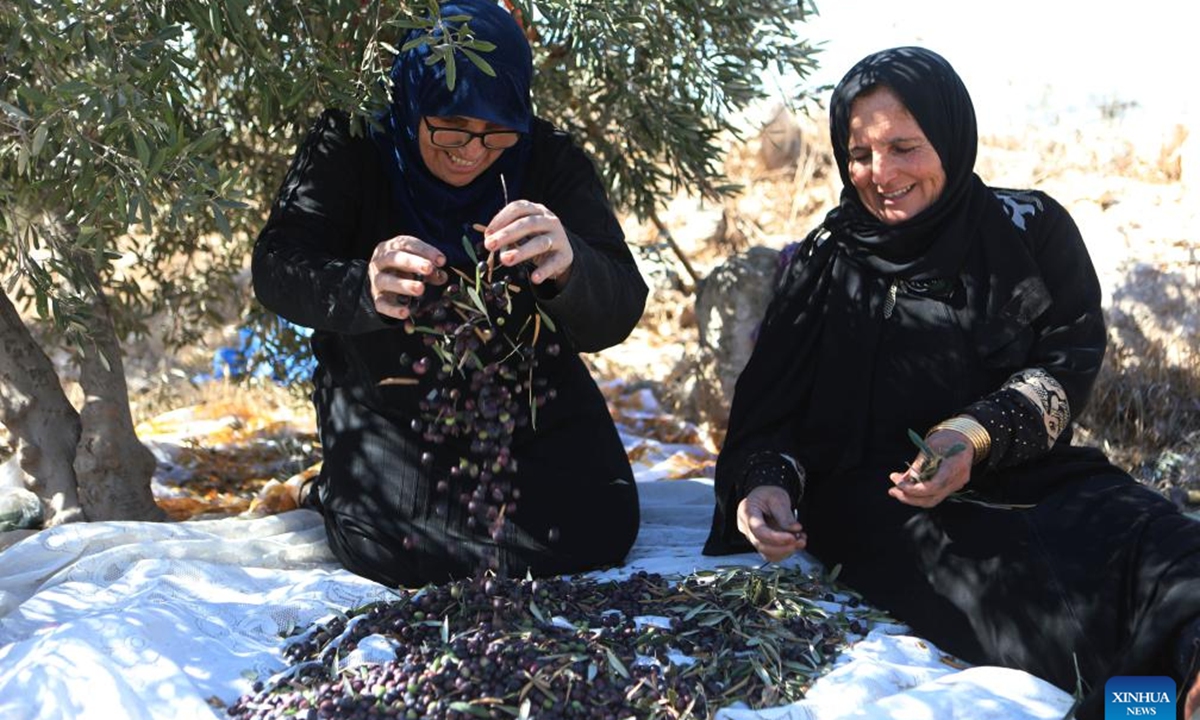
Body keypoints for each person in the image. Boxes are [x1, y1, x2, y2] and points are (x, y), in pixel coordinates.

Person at [703, 46, 1200, 720]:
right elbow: (772, 414)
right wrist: (767, 484)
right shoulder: (826, 263)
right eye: (860, 154)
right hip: (891, 506)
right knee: (1059, 614)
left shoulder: (1029, 229)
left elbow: (1066, 363)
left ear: (951, 135)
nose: (881, 175)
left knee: (1162, 543)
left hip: (1035, 473)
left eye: (905, 147)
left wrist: (971, 436)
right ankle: (1151, 706)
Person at [253, 0, 646, 588]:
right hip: (389, 401)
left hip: (529, 400)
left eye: (496, 135)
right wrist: (361, 286)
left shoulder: (548, 158)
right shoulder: (353, 141)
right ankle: (331, 484)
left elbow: (619, 304)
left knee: (600, 527)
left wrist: (572, 267)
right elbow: (278, 264)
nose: (472, 152)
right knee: (394, 551)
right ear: (411, 101)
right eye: (451, 128)